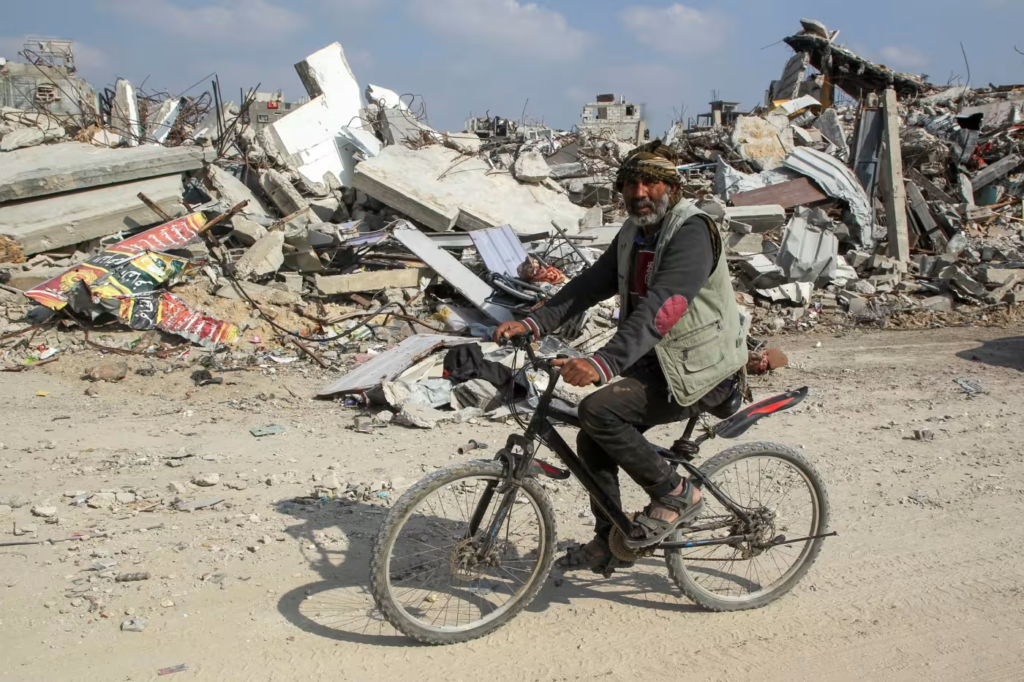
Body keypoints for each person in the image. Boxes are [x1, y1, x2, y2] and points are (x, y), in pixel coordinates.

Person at [493, 140, 747, 572]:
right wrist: (535, 322)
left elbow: (664, 306)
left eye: (649, 182)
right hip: (657, 362)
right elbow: (590, 285)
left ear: (671, 186)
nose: (638, 192)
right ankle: (609, 536)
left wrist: (603, 363)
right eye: (629, 184)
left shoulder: (692, 231)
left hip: (700, 369)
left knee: (599, 410)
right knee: (591, 433)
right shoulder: (634, 232)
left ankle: (675, 493)